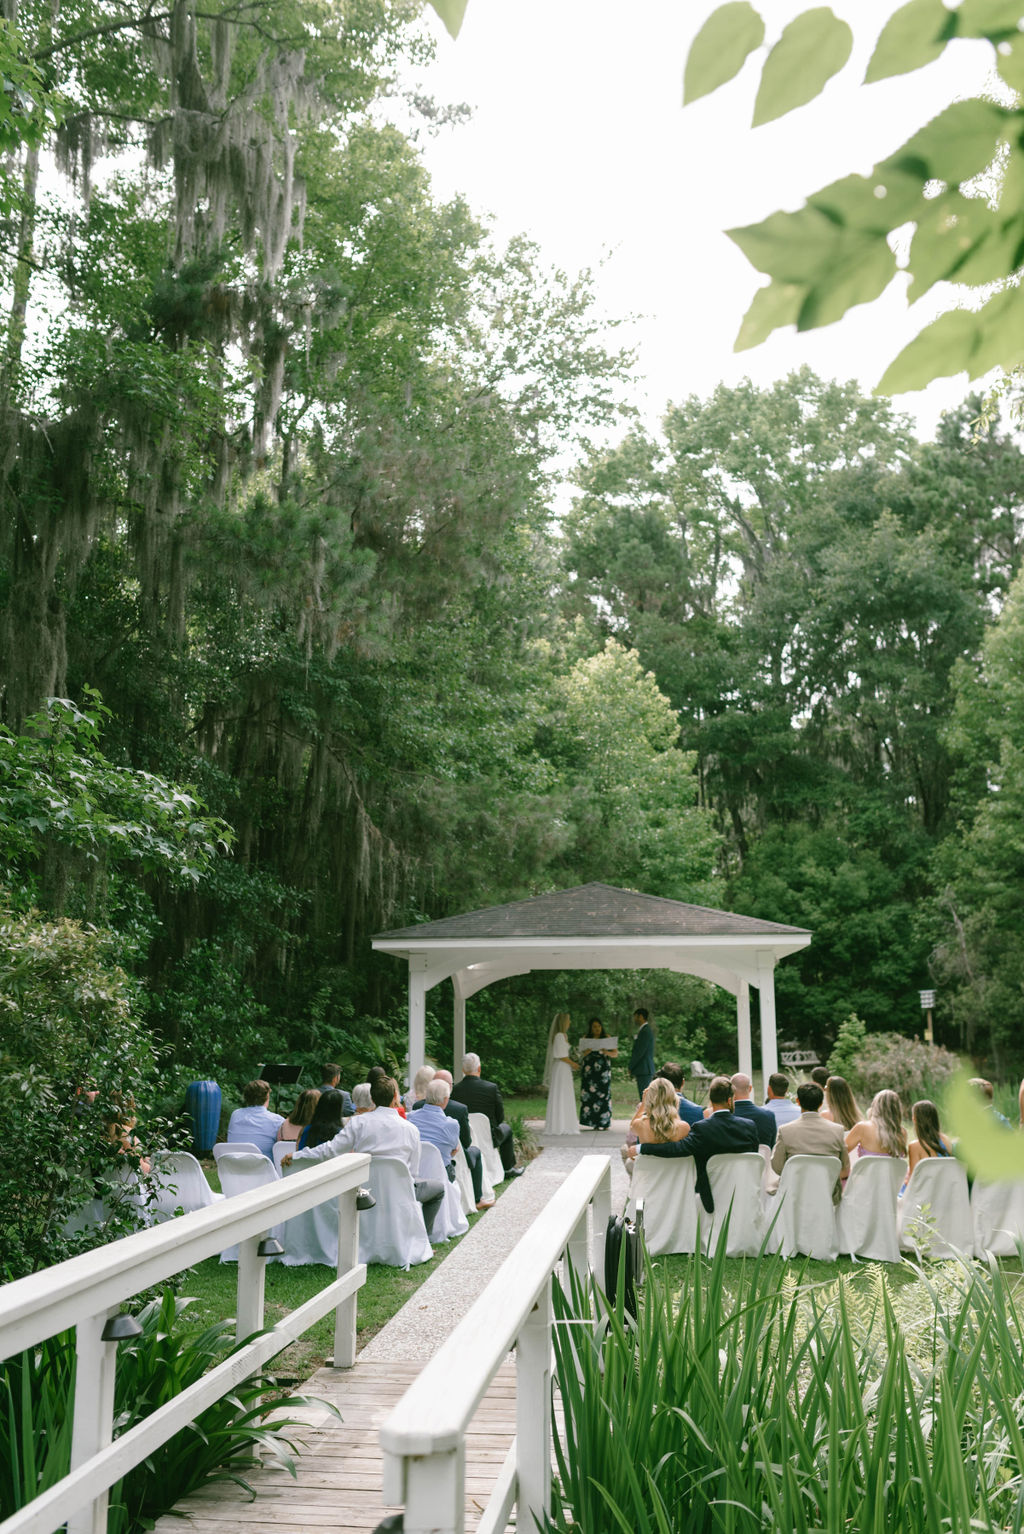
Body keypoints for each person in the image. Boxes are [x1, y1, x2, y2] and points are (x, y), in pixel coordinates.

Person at [285, 1075, 445, 1233]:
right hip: (399, 1193)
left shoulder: (358, 1123)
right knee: (438, 1189)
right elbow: (413, 1172)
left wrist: (298, 1155)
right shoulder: (411, 1129)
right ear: (395, 1096)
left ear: (372, 1098)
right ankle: (424, 1236)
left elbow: (331, 1149)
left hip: (364, 1189)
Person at [633, 1075, 758, 1214]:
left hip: (712, 1194)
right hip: (744, 1190)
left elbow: (677, 1148)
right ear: (730, 1100)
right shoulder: (749, 1127)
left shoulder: (702, 1129)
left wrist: (642, 1148)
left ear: (711, 1100)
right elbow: (753, 1158)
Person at [770, 1082, 849, 1204]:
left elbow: (778, 1167)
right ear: (821, 1104)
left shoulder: (785, 1130)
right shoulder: (837, 1130)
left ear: (798, 1101)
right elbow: (844, 1167)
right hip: (827, 1195)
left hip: (794, 1193)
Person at [450, 1053, 524, 1176]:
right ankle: (508, 1168)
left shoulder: (455, 1090)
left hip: (465, 1136)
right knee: (507, 1129)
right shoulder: (491, 1088)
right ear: (479, 1068)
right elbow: (500, 1117)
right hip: (489, 1136)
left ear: (463, 1070)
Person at [431, 1068, 488, 1208]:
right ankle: (477, 1198)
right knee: (475, 1152)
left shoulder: (416, 1107)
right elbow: (466, 1143)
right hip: (451, 1160)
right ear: (449, 1087)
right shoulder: (459, 1110)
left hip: (425, 1160)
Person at [408, 1078, 461, 1179]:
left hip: (414, 1173)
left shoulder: (410, 1117)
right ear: (446, 1100)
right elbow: (453, 1151)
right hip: (441, 1175)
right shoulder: (451, 1124)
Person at [844, 1089, 908, 1164]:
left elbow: (841, 1154)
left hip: (865, 1175)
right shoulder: (902, 1133)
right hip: (892, 1176)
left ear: (875, 1106)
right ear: (897, 1109)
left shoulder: (862, 1128)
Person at [226, 1079, 284, 1158]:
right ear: (267, 1096)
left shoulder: (235, 1115)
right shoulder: (277, 1120)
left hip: (235, 1167)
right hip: (264, 1169)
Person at [544, 1012, 580, 1135]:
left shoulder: (564, 1035)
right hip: (561, 1068)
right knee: (560, 1093)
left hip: (565, 1068)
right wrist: (573, 1064)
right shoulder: (559, 1036)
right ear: (563, 1022)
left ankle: (565, 1123)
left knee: (565, 1094)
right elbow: (561, 1055)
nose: (570, 1023)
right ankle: (558, 1125)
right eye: (568, 1020)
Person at [905, 1099, 954, 1185]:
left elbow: (913, 1181)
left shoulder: (914, 1146)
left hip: (924, 1196)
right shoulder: (946, 1141)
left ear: (915, 1120)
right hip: (944, 1191)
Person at [579, 1017, 616, 1130]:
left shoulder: (607, 1038)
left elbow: (615, 1054)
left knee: (603, 1095)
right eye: (594, 1027)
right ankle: (593, 1122)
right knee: (590, 1095)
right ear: (590, 1028)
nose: (597, 1029)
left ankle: (604, 1123)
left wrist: (606, 1051)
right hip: (589, 1070)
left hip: (603, 1070)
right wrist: (588, 1051)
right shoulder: (586, 1038)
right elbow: (581, 1055)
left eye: (599, 1026)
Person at [630, 1077, 687, 1145]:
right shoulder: (683, 1127)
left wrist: (643, 1103)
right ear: (673, 1098)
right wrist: (672, 1104)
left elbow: (632, 1127)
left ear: (649, 1098)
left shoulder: (640, 1124)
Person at [730, 1073, 777, 1148]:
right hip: (762, 1159)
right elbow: (772, 1147)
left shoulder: (726, 1117)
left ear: (731, 1090)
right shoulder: (768, 1116)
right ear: (750, 1088)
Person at [629, 1008, 655, 1098]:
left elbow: (639, 1052)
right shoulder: (643, 1030)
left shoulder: (645, 1031)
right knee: (645, 1096)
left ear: (641, 1017)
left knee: (645, 1097)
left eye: (635, 1017)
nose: (634, 1019)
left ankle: (646, 1112)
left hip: (644, 1069)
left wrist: (631, 1066)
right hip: (643, 1069)